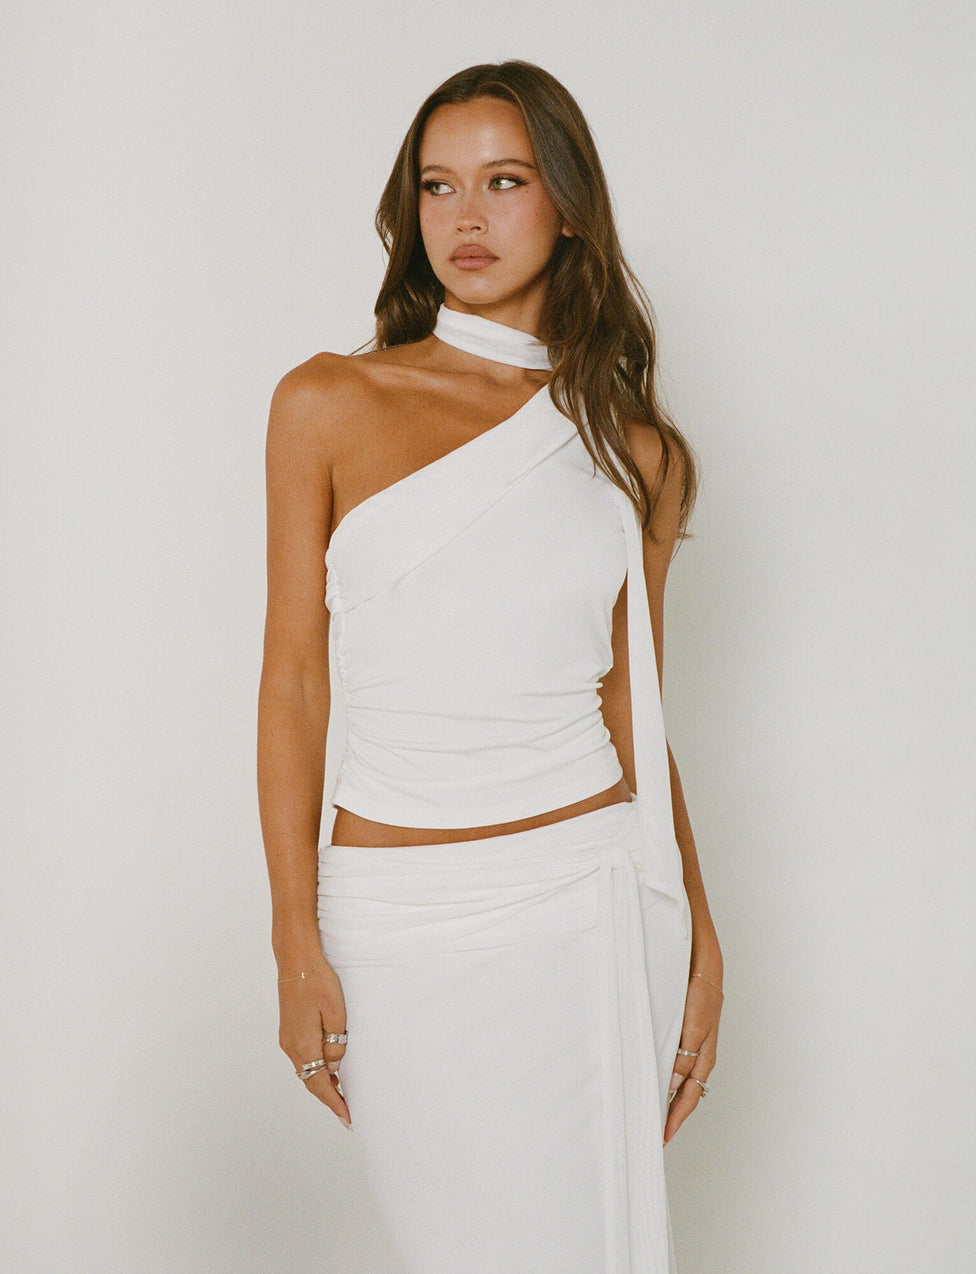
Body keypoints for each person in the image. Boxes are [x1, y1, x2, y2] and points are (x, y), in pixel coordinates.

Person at [257, 59, 723, 1273]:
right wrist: (291, 933)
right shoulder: (328, 401)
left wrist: (704, 941)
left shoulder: (634, 452)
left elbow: (639, 707)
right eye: (438, 186)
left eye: (504, 181)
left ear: (566, 205)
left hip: (588, 901)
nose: (465, 218)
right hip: (397, 919)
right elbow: (293, 679)